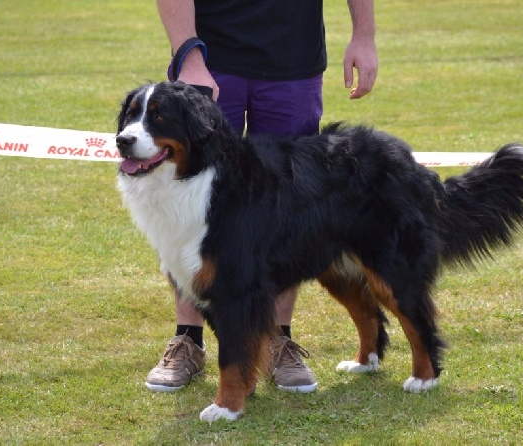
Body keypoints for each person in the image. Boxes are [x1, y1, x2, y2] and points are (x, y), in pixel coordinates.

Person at [146, 0, 378, 394]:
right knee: (191, 203)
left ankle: (276, 338)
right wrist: (188, 53)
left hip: (295, 63)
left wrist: (363, 35)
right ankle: (188, 339)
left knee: (288, 205)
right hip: (210, 59)